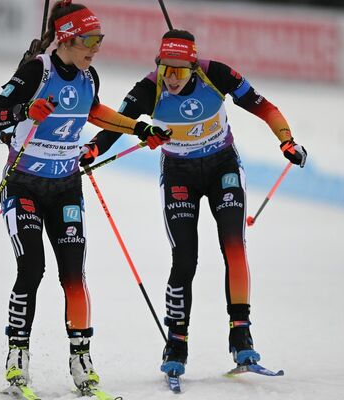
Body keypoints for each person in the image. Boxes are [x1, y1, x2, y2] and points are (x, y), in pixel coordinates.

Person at [79, 29, 307, 378]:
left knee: (233, 246)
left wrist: (286, 141)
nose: (171, 78)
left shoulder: (217, 74)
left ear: (193, 66)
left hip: (222, 167)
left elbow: (264, 106)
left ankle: (241, 334)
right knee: (185, 257)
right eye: (165, 70)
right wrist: (92, 150)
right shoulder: (149, 87)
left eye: (180, 71)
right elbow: (115, 126)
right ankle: (177, 341)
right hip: (179, 174)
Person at [0, 0, 170, 392]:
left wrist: (138, 128)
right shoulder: (38, 70)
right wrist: (24, 110)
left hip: (66, 186)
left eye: (99, 40)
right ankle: (18, 355)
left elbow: (95, 112)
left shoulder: (89, 76)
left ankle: (81, 360)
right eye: (89, 40)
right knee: (32, 269)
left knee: (73, 275)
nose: (95, 48)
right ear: (66, 38)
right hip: (24, 186)